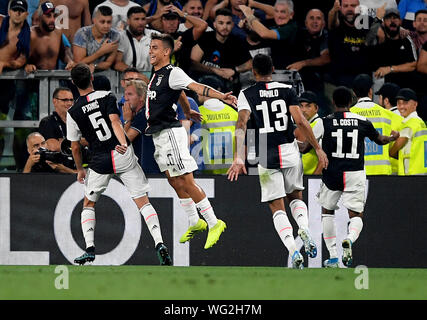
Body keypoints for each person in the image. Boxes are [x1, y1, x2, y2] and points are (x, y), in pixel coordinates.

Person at [227, 54, 329, 269]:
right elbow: (300, 121)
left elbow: (241, 123)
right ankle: (304, 228)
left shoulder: (246, 93)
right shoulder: (287, 90)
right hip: (289, 149)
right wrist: (318, 148)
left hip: (266, 152)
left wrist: (238, 157)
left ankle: (293, 250)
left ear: (253, 72)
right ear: (272, 69)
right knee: (296, 197)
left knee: (277, 207)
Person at [66, 63, 172, 265]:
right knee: (143, 201)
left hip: (99, 161)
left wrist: (80, 169)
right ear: (92, 79)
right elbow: (115, 122)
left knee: (89, 204)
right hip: (121, 153)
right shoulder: (107, 97)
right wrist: (122, 143)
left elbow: (76, 147)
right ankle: (159, 242)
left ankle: (89, 248)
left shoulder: (73, 112)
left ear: (72, 83)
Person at [147, 33, 236, 249]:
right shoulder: (158, 73)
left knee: (186, 180)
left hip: (170, 133)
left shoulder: (173, 71)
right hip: (159, 133)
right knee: (173, 180)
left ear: (166, 52)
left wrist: (222, 96)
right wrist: (188, 111)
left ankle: (214, 222)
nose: (150, 51)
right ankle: (195, 221)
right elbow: (179, 94)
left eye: (155, 48)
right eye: (150, 47)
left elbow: (196, 88)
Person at [316, 86, 399, 268]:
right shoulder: (362, 121)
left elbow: (306, 146)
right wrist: (393, 138)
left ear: (333, 102)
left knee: (327, 212)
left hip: (332, 173)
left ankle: (333, 256)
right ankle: (349, 239)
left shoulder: (325, 122)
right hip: (354, 173)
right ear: (351, 102)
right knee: (356, 215)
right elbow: (380, 140)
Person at [350, 74, 403, 175]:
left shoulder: (349, 114)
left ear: (354, 92)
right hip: (382, 172)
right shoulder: (387, 114)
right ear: (370, 91)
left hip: (357, 173)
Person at [190, 8, 252, 94]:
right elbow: (192, 63)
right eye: (221, 23)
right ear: (214, 24)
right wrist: (216, 71)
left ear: (233, 24)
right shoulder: (205, 38)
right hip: (202, 86)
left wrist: (234, 70)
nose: (225, 27)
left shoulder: (237, 41)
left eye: (228, 23)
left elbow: (251, 63)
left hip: (228, 89)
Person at [287, 8, 331, 116]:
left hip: (320, 85)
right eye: (311, 18)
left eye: (318, 18)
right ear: (306, 23)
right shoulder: (297, 34)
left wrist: (303, 63)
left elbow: (325, 58)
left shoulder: (326, 36)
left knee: (321, 114)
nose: (314, 21)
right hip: (298, 83)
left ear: (324, 23)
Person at [239, 0, 298, 70]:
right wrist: (246, 27)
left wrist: (249, 14)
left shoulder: (290, 27)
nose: (278, 15)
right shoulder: (276, 27)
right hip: (275, 75)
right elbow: (257, 35)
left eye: (283, 12)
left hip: (289, 75)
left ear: (291, 14)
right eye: (276, 11)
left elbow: (264, 33)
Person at [197, 77, 238, 174]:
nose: (197, 93)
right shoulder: (233, 112)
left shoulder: (198, 112)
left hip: (207, 170)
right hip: (231, 169)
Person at [373, 8, 418, 90]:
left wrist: (391, 69)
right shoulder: (378, 40)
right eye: (389, 18)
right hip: (381, 88)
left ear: (400, 21)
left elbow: (414, 65)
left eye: (395, 18)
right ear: (383, 22)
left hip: (403, 88)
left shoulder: (407, 40)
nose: (392, 21)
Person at [122, 79, 161, 173]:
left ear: (141, 97)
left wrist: (127, 120)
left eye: (130, 94)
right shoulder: (140, 114)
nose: (126, 98)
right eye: (125, 94)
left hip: (150, 170)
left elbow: (124, 142)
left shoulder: (143, 114)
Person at [25, 1, 75, 72]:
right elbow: (19, 58)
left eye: (54, 16)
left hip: (52, 79)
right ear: (40, 17)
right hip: (31, 79)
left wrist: (69, 61)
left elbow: (63, 54)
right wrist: (26, 65)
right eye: (48, 16)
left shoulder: (58, 32)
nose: (53, 20)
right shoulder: (31, 35)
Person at [389, 88, 427, 175]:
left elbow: (393, 151)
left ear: (415, 104)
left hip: (410, 173)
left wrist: (391, 139)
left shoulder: (410, 124)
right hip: (421, 172)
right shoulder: (420, 123)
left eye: (405, 103)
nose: (401, 107)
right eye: (399, 103)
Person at [73, 5, 120, 72]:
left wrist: (94, 66)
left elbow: (108, 63)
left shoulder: (115, 35)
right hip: (82, 74)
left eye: (109, 22)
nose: (106, 26)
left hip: (104, 74)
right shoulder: (82, 33)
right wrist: (101, 52)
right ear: (94, 20)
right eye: (102, 22)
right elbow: (78, 63)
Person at [114, 6, 159, 72]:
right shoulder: (120, 37)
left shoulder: (155, 35)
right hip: (128, 79)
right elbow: (117, 64)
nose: (140, 23)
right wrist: (137, 75)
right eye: (136, 19)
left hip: (151, 78)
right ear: (128, 21)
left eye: (143, 19)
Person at [38, 87, 74, 152]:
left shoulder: (77, 121)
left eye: (71, 100)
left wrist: (63, 142)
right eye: (65, 100)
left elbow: (88, 142)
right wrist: (77, 142)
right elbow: (53, 147)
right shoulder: (47, 122)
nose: (69, 103)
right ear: (55, 101)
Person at [296, 91, 324, 175]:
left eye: (308, 106)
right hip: (304, 176)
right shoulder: (304, 125)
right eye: (301, 106)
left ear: (316, 109)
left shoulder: (319, 123)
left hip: (313, 176)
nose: (303, 110)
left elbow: (304, 148)